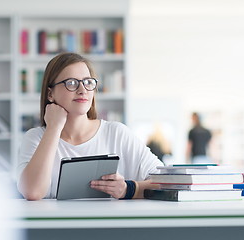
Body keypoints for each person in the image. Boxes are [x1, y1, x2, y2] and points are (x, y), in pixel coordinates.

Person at [16, 52, 163, 200]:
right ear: (50, 94)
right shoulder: (35, 138)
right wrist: (53, 128)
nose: (82, 90)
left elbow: (166, 182)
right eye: (71, 83)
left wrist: (128, 189)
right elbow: (33, 192)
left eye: (88, 82)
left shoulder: (117, 133)